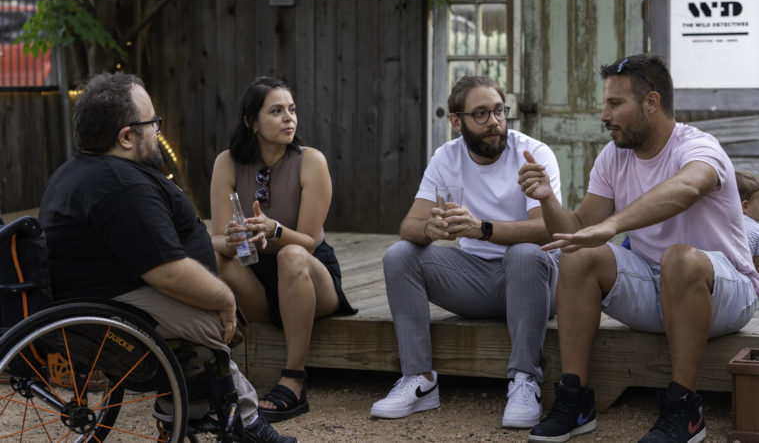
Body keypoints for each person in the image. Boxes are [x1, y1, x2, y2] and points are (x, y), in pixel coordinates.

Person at [38, 72, 295, 443]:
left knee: (201, 318)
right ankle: (240, 421)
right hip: (106, 309)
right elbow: (168, 272)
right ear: (126, 137)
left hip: (102, 296)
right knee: (208, 322)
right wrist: (224, 300)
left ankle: (199, 412)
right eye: (152, 122)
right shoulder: (119, 186)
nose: (158, 130)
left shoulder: (79, 171)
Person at [518, 54, 759, 443]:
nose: (603, 115)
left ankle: (685, 410)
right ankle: (575, 400)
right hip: (654, 287)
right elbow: (577, 230)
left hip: (726, 293)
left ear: (651, 102)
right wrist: (547, 200)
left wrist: (612, 225)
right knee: (577, 252)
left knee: (679, 258)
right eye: (605, 104)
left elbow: (685, 189)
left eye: (615, 104)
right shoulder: (614, 156)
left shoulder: (699, 147)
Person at [370, 75, 562, 429]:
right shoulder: (446, 157)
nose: (494, 122)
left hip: (534, 282)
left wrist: (483, 229)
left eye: (499, 111)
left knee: (523, 254)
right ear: (456, 121)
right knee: (400, 255)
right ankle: (420, 379)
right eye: (482, 114)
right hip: (475, 278)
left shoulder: (533, 153)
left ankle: (525, 380)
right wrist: (430, 229)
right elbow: (408, 226)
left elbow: (549, 231)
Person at [210, 76, 356, 422]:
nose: (289, 118)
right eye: (276, 111)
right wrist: (232, 239)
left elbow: (307, 241)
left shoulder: (311, 161)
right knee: (210, 256)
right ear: (252, 122)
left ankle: (294, 378)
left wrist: (274, 230)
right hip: (257, 280)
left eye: (291, 109)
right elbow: (216, 238)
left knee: (291, 254)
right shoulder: (227, 163)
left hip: (311, 274)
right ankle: (212, 361)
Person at [736, 170, 759, 272]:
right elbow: (757, 265)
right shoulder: (756, 228)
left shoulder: (719, 224)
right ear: (745, 206)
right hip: (743, 279)